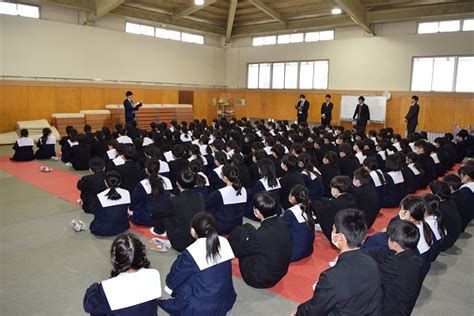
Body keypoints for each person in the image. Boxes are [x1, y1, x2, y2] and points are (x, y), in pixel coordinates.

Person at [294, 209, 383, 316]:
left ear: (340, 237)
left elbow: (315, 309)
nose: (331, 232)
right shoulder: (372, 262)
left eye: (333, 230)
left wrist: (299, 312)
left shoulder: (331, 277)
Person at [158, 213, 236, 315]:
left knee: (182, 283)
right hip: (226, 301)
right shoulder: (224, 241)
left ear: (193, 231)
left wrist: (169, 286)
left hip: (202, 309)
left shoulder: (193, 252)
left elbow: (175, 277)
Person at [83, 234, 161, 315]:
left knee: (97, 310)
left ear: (114, 259)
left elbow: (88, 305)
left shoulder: (108, 287)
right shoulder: (154, 274)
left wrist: (96, 286)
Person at [228, 192, 292, 289]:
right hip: (278, 273)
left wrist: (226, 246)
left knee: (239, 232)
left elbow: (241, 250)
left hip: (259, 279)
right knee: (247, 226)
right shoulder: (281, 222)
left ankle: (223, 252)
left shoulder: (260, 235)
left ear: (257, 212)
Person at [364, 220, 423, 316]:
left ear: (395, 244)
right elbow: (382, 253)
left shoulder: (394, 266)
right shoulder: (412, 252)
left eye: (389, 237)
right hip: (404, 302)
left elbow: (370, 272)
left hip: (393, 310)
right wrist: (360, 253)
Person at [151, 170, 206, 252]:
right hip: (197, 240)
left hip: (181, 244)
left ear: (177, 183)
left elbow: (157, 212)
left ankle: (158, 231)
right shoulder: (200, 196)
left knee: (163, 214)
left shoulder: (175, 200)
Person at [206, 165, 247, 234]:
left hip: (221, 227)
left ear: (225, 177)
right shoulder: (244, 190)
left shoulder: (220, 193)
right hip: (237, 224)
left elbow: (206, 205)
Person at [129, 158, 171, 227]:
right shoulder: (167, 181)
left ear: (146, 170)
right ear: (158, 169)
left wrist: (130, 209)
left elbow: (135, 201)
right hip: (163, 217)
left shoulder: (143, 184)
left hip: (147, 218)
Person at [314, 175, 357, 241]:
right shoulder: (351, 197)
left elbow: (321, 210)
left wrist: (315, 203)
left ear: (336, 190)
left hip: (338, 236)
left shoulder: (335, 203)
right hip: (350, 230)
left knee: (319, 209)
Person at [90, 171, 130, 236]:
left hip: (103, 230)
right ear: (119, 182)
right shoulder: (126, 192)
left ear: (105, 182)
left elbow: (93, 210)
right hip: (123, 227)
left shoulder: (100, 196)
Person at [282, 185, 315, 262]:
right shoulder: (308, 208)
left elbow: (281, 229)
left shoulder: (290, 212)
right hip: (308, 251)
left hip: (294, 253)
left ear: (293, 198)